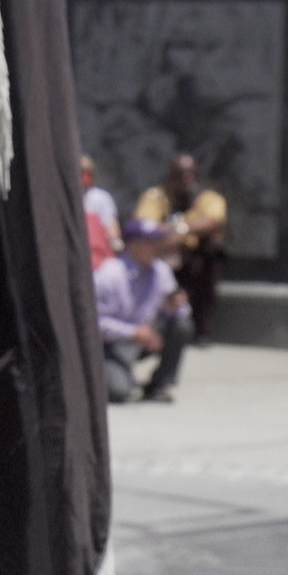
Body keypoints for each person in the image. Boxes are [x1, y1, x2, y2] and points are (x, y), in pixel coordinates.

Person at [95, 218, 192, 403]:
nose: (156, 247)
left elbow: (183, 313)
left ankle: (159, 384)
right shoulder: (109, 275)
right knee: (118, 392)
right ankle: (108, 374)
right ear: (133, 245)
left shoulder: (161, 271)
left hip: (146, 337)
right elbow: (92, 322)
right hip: (112, 344)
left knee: (182, 326)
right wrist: (132, 332)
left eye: (157, 241)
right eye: (149, 243)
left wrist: (174, 307)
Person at [134, 153, 226, 342]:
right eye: (180, 173)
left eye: (190, 173)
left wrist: (180, 231)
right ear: (171, 175)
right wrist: (173, 238)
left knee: (211, 258)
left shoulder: (208, 198)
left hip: (194, 259)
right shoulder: (156, 196)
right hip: (161, 255)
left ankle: (202, 330)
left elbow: (212, 221)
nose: (186, 178)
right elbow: (144, 225)